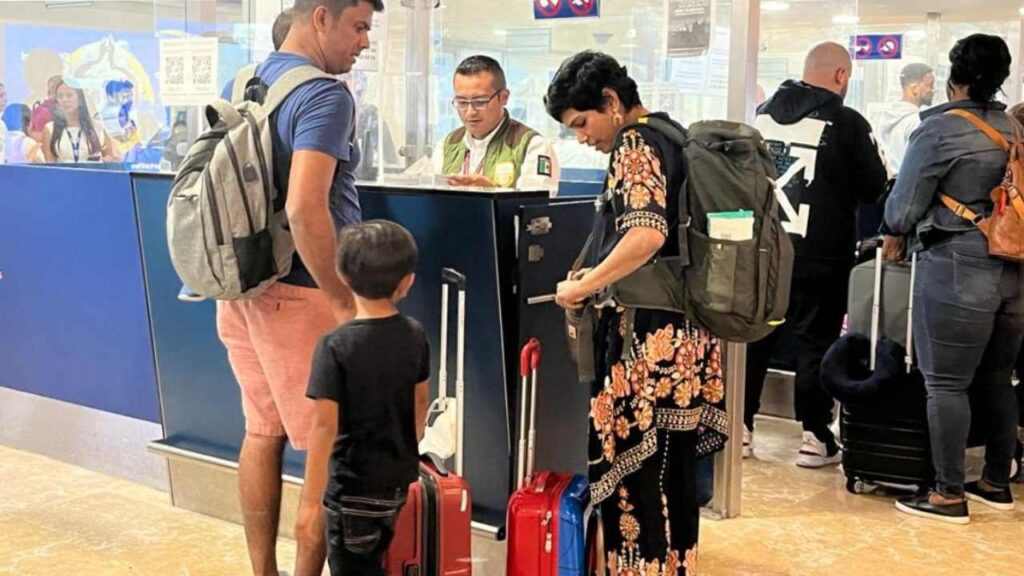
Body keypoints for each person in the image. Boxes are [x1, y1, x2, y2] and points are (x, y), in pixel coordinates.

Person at [214, 1, 382, 574]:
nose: (363, 42)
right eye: (358, 27)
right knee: (327, 451)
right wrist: (343, 301)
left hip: (243, 289)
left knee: (261, 433)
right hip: (303, 294)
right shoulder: (324, 97)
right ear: (320, 18)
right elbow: (307, 207)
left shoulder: (245, 81)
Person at [547, 51, 728, 574]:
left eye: (582, 122)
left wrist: (587, 284)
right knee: (673, 469)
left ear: (611, 101)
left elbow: (646, 233)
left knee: (634, 470)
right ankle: (674, 566)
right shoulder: (672, 135)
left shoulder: (633, 142)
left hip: (643, 339)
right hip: (685, 335)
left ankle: (636, 568)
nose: (581, 136)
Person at [885, 34, 1020, 524]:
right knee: (999, 378)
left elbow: (902, 209)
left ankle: (947, 494)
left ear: (953, 78)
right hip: (1016, 269)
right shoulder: (1015, 128)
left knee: (945, 383)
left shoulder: (940, 129)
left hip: (960, 266)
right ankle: (995, 483)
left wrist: (896, 230)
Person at [746, 42, 888, 466]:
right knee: (815, 342)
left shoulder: (762, 116)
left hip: (765, 252)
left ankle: (742, 431)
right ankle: (814, 436)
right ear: (841, 76)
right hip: (822, 256)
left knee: (755, 339)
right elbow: (874, 186)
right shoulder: (846, 123)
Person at [305, 220, 429, 576]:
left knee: (352, 566)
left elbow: (324, 427)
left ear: (342, 276)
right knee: (375, 558)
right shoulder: (415, 335)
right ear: (407, 282)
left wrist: (310, 504)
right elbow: (420, 405)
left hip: (350, 488)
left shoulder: (334, 346)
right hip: (396, 482)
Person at [432, 55, 560, 195]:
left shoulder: (532, 145)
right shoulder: (447, 145)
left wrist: (493, 193)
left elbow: (536, 208)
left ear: (504, 97)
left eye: (480, 102)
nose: (470, 112)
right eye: (462, 102)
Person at [879, 63, 936, 175]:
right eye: (930, 85)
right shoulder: (916, 123)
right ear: (915, 88)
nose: (933, 90)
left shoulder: (886, 118)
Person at [42, 79, 118, 163]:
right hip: (63, 175)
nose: (64, 100)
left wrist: (109, 160)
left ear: (80, 98)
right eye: (60, 96)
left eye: (69, 95)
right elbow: (50, 165)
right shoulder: (50, 128)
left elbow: (110, 157)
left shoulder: (98, 127)